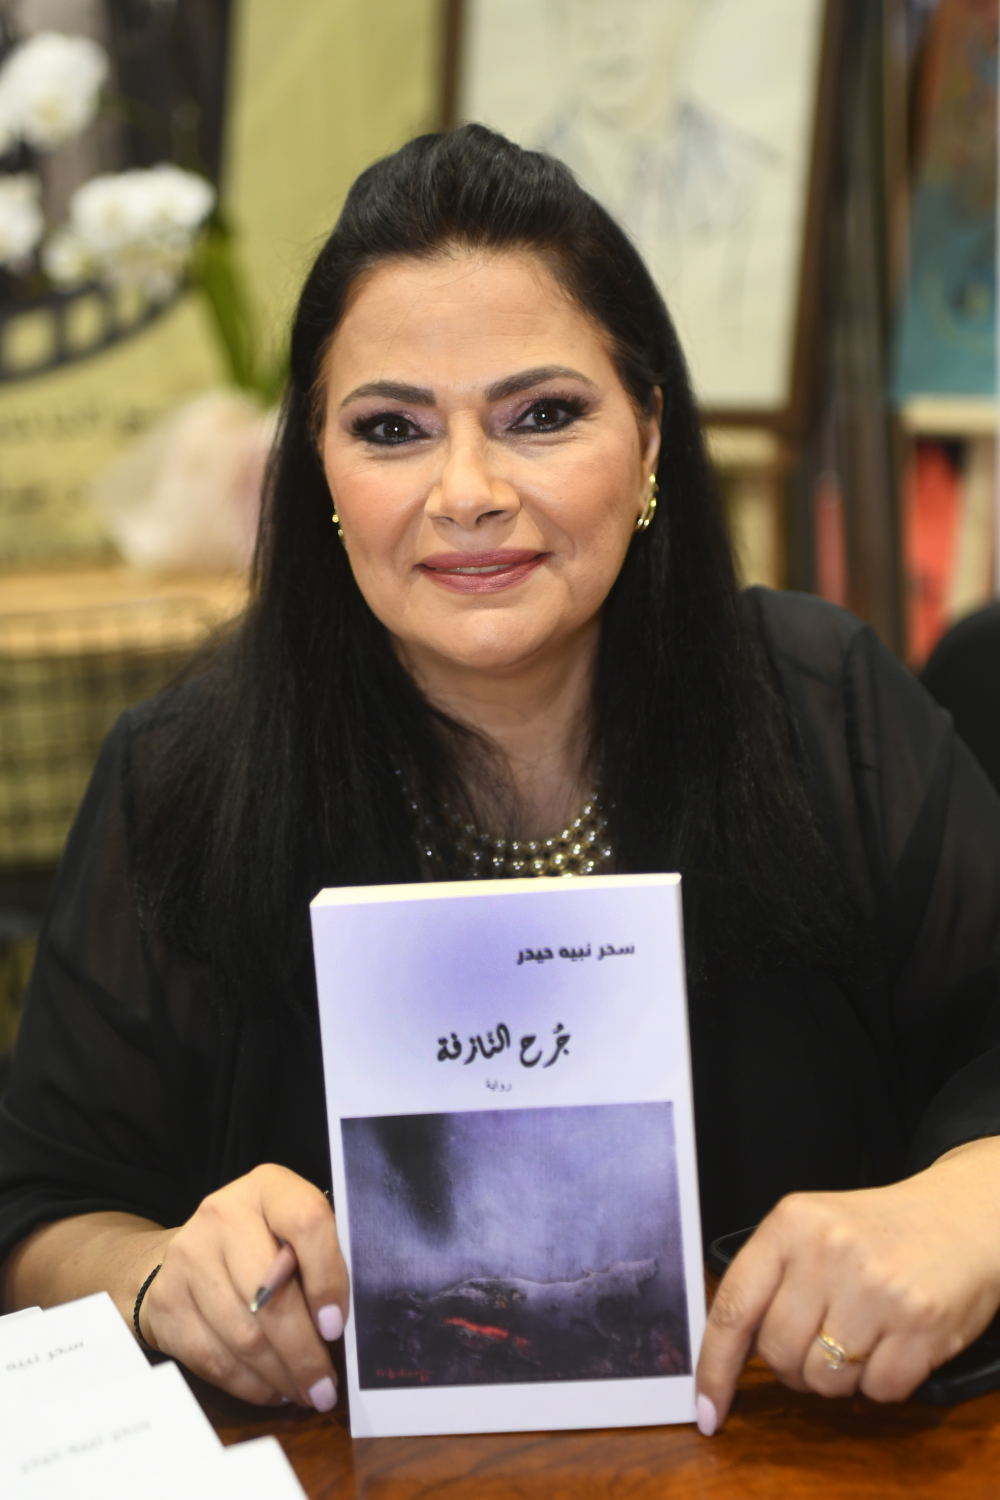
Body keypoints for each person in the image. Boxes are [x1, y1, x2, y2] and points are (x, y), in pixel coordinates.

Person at [2, 124, 1000, 1437]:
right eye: (391, 429)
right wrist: (155, 1276)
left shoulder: (830, 711)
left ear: (649, 436)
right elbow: (41, 1208)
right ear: (318, 472)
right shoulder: (182, 774)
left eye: (542, 416)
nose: (466, 492)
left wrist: (970, 1204)